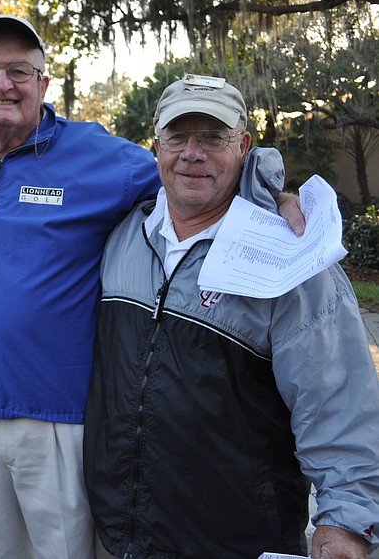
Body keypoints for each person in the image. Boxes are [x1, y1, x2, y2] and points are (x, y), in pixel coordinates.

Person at [83, 75, 379, 559]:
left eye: (213, 138)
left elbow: (337, 403)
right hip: (122, 536)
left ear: (243, 146)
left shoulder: (291, 257)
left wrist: (344, 523)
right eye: (178, 137)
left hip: (236, 541)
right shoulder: (122, 236)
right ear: (155, 146)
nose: (192, 153)